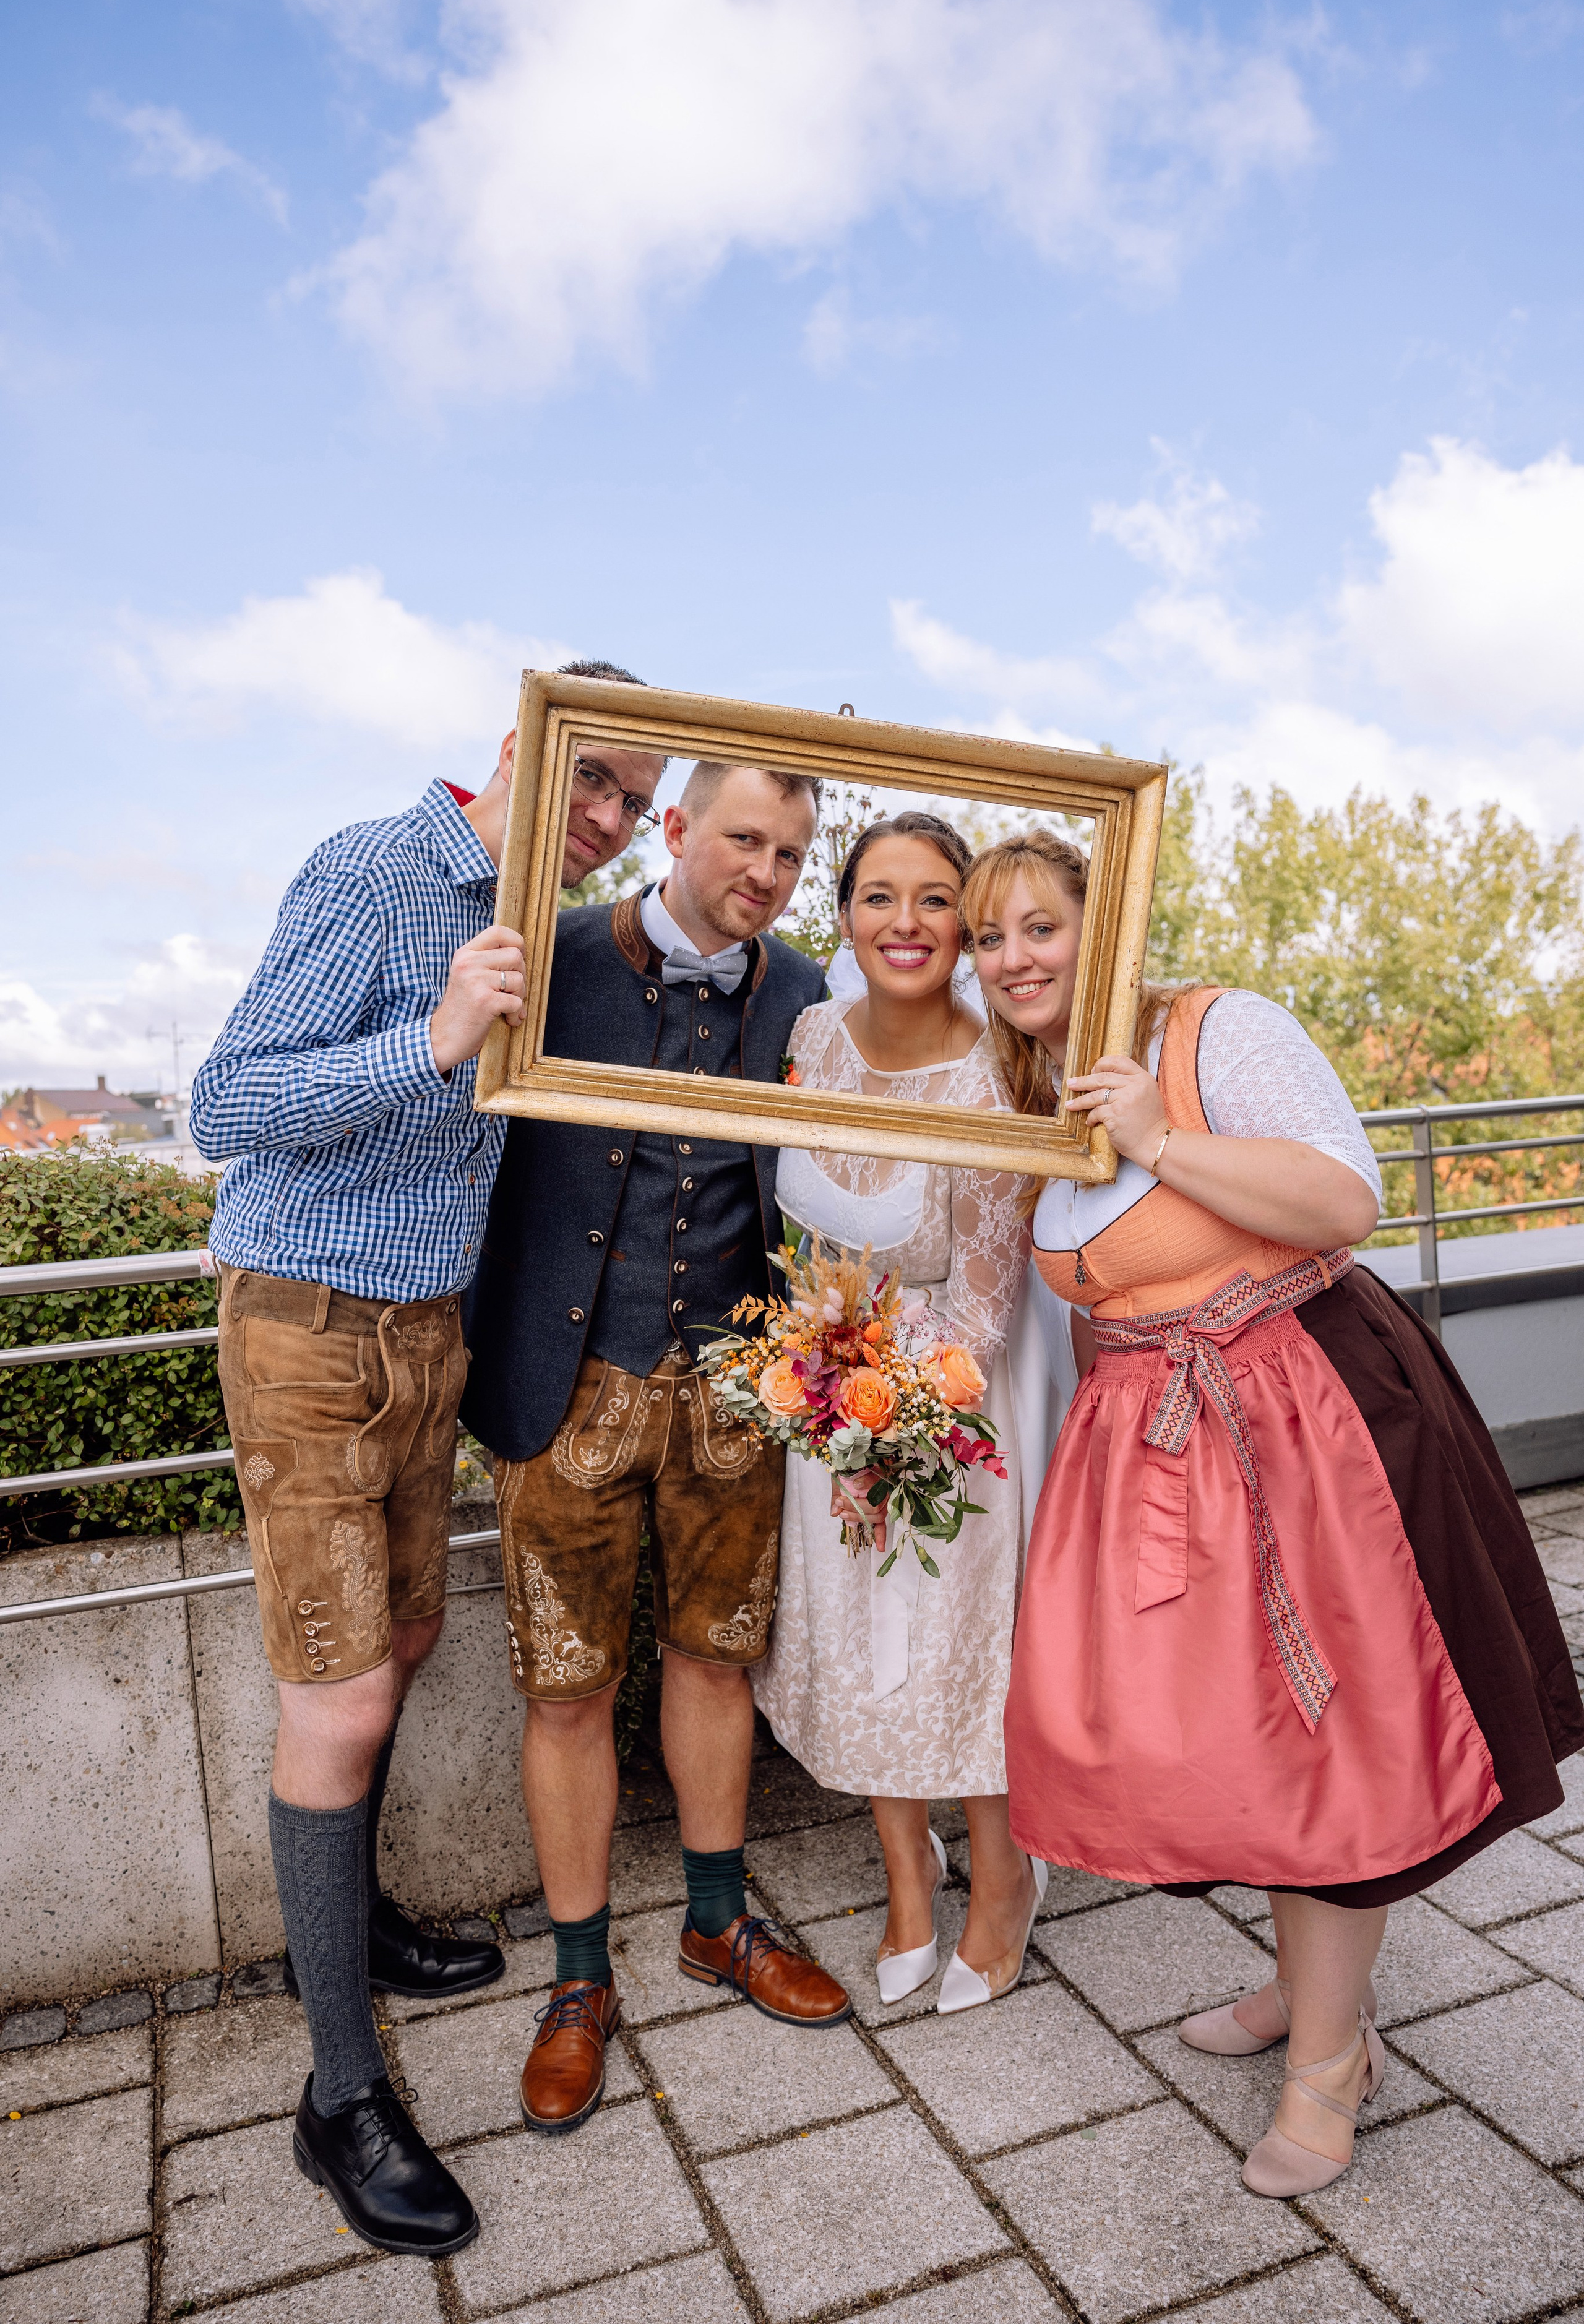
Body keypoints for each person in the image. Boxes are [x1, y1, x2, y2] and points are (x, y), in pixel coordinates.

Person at [970, 830, 1584, 2197]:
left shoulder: (1212, 1028)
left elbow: (1344, 1201)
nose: (1012, 957)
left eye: (1039, 926)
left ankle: (1329, 2060)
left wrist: (1159, 1136)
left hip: (1307, 1428)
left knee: (1325, 1745)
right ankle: (1307, 1990)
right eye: (989, 937)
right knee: (1231, 1740)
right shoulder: (1040, 1092)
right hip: (1159, 1450)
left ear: (1105, 925)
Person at [189, 660, 664, 2253]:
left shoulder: (542, 917)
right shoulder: (379, 867)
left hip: (425, 1329)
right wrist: (435, 1035)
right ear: (521, 743)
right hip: (309, 1328)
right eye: (592, 777)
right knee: (335, 1699)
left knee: (395, 1649)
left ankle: (355, 1926)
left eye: (636, 800)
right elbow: (224, 1101)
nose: (610, 818)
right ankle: (339, 2095)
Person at [462, 753, 854, 2140]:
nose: (766, 874)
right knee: (566, 1687)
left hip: (735, 1393)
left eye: (790, 855)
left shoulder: (807, 990)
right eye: (744, 840)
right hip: (565, 1385)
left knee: (716, 1657)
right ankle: (578, 1978)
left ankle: (715, 1919)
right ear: (674, 827)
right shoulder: (548, 953)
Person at [752, 812, 1069, 2015]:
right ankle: (905, 1874)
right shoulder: (810, 1035)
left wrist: (886, 1435)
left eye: (935, 899)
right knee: (858, 1644)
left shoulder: (997, 1072)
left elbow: (986, 1300)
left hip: (957, 1403)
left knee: (953, 1645)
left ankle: (1004, 1874)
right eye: (878, 895)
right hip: (829, 1386)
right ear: (842, 914)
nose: (905, 922)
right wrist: (820, 1396)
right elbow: (798, 1243)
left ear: (965, 925)